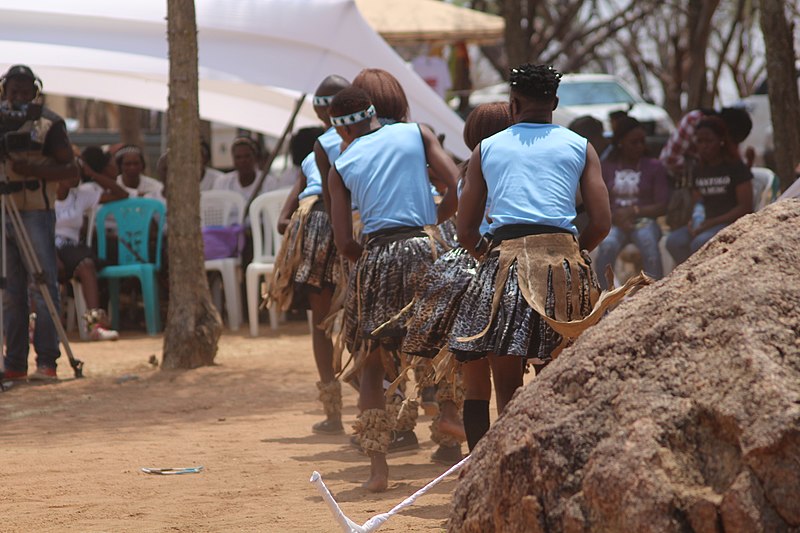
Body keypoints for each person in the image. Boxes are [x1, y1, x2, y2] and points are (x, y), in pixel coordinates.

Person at [449, 64, 610, 451]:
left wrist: (490, 258)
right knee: (557, 375)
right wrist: (572, 253)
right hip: (565, 268)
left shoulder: (485, 149)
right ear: (555, 102)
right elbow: (602, 221)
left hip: (505, 265)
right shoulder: (581, 145)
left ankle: (508, 464)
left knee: (505, 382)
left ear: (513, 102)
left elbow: (465, 230)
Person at [327, 86, 458, 491]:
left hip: (379, 254)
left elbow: (344, 242)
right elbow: (456, 183)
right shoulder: (417, 133)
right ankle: (451, 416)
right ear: (373, 115)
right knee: (448, 344)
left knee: (371, 361)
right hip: (426, 245)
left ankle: (378, 470)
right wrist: (433, 219)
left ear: (341, 131)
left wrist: (365, 257)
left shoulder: (341, 164)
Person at [400, 102, 513, 465]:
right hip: (495, 266)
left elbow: (452, 221)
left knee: (475, 382)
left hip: (456, 271)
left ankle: (469, 449)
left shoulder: (466, 171)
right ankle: (506, 455)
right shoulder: (511, 166)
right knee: (509, 382)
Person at [0, 64, 79, 381]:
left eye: (24, 91)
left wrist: (31, 170)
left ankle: (47, 362)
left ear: (35, 92)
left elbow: (71, 172)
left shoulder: (50, 123)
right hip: (4, 211)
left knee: (43, 285)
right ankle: (14, 364)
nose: (17, 97)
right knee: (10, 291)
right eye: (12, 90)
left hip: (35, 211)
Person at [270, 121, 343, 435]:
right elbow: (283, 221)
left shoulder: (324, 154)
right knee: (324, 324)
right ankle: (340, 410)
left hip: (325, 230)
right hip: (339, 230)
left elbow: (281, 222)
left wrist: (306, 226)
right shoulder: (319, 155)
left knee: (322, 324)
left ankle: (336, 413)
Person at [56, 147, 129, 340]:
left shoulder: (81, 194)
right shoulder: (45, 195)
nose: (75, 176)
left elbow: (122, 194)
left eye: (78, 172)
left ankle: (94, 324)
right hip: (47, 245)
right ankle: (38, 326)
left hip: (71, 246)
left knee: (87, 266)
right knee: (45, 268)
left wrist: (92, 174)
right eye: (70, 171)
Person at [594, 116, 670, 289]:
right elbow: (599, 200)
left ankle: (654, 291)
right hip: (614, 220)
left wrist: (633, 212)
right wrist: (616, 216)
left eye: (642, 142)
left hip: (644, 220)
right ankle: (602, 295)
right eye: (633, 142)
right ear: (620, 142)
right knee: (607, 245)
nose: (639, 147)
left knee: (648, 241)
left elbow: (662, 204)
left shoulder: (654, 166)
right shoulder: (606, 166)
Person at [665, 117, 753, 265]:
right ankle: (688, 278)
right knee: (674, 241)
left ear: (721, 141)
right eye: (699, 141)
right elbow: (698, 202)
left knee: (699, 243)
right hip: (706, 222)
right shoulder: (698, 169)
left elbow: (745, 207)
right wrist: (694, 221)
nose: (704, 146)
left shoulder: (735, 167)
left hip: (730, 222)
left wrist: (713, 222)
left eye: (709, 141)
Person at [660, 106, 753, 178]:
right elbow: (669, 160)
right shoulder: (693, 120)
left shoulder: (729, 138)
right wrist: (702, 171)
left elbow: (736, 168)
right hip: (675, 181)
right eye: (700, 141)